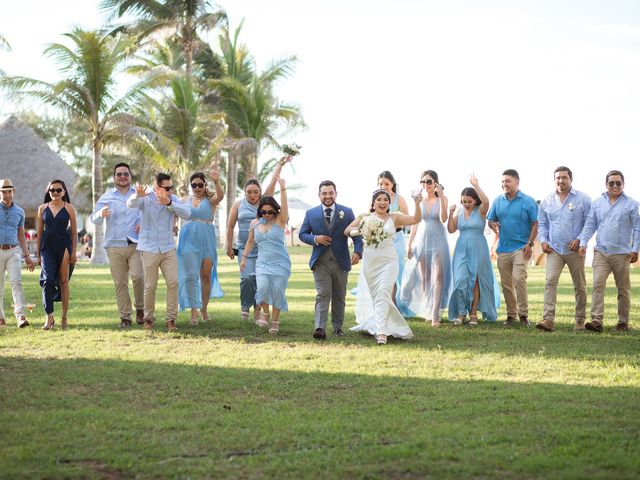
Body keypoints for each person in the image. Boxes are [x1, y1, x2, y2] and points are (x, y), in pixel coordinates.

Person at [346, 189, 423, 344]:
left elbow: (416, 219)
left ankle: (381, 332)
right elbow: (347, 231)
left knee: (383, 291)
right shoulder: (365, 217)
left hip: (389, 260)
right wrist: (361, 230)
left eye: (385, 200)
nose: (382, 203)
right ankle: (385, 325)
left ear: (389, 203)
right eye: (379, 200)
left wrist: (417, 203)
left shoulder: (395, 218)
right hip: (371, 262)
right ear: (373, 203)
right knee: (379, 297)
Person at [226, 158, 290, 321]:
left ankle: (258, 308)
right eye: (249, 192)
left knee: (259, 279)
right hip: (245, 247)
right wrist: (229, 246)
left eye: (256, 192)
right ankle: (245, 305)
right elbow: (230, 226)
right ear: (245, 192)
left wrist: (280, 164)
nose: (253, 195)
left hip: (263, 249)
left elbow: (274, 180)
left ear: (260, 192)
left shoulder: (264, 201)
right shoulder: (238, 205)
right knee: (246, 278)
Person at [299, 180, 363, 339]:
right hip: (320, 261)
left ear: (336, 193)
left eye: (330, 193)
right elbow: (302, 234)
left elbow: (356, 235)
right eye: (324, 193)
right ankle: (320, 328)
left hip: (341, 260)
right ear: (319, 195)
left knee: (339, 296)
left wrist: (358, 251)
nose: (328, 196)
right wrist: (316, 239)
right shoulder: (311, 213)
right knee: (323, 293)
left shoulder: (347, 212)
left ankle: (337, 327)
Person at [127, 172, 190, 331]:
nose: (169, 190)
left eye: (171, 187)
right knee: (150, 286)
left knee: (173, 283)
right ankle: (148, 319)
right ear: (156, 187)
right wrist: (136, 195)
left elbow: (187, 214)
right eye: (166, 188)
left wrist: (169, 203)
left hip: (168, 248)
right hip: (148, 249)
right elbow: (130, 204)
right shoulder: (145, 198)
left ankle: (171, 320)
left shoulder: (173, 199)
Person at [578, 170, 640, 333]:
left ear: (623, 184)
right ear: (606, 184)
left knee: (623, 289)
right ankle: (596, 321)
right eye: (611, 183)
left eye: (618, 183)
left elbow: (637, 228)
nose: (614, 186)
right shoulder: (597, 203)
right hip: (601, 253)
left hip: (622, 253)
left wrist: (635, 249)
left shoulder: (632, 204)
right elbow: (590, 224)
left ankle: (623, 323)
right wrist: (583, 243)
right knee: (598, 286)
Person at [536, 167, 591, 332]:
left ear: (571, 179)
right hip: (554, 250)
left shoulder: (583, 199)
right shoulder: (547, 200)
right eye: (558, 178)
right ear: (555, 180)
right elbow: (543, 224)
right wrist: (543, 241)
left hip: (575, 250)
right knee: (550, 282)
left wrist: (580, 239)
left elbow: (590, 222)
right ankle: (548, 320)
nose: (561, 181)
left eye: (564, 178)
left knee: (580, 285)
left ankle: (580, 320)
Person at [91, 162, 145, 328]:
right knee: (120, 283)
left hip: (135, 244)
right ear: (114, 177)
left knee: (138, 277)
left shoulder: (139, 194)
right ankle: (125, 317)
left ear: (130, 176)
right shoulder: (107, 197)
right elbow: (94, 218)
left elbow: (149, 213)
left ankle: (141, 309)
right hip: (114, 246)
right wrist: (101, 213)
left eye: (125, 174)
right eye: (119, 174)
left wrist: (143, 223)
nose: (122, 177)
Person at [487, 169, 538, 327]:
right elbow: (490, 220)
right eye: (503, 181)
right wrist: (493, 224)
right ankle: (511, 316)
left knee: (519, 279)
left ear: (517, 181)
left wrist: (530, 243)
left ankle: (523, 316)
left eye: (508, 181)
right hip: (503, 249)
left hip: (521, 248)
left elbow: (536, 224)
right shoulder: (498, 200)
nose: (504, 184)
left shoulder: (528, 201)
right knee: (506, 284)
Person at [401, 170, 452, 326]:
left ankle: (435, 313)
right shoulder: (419, 201)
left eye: (429, 181)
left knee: (439, 276)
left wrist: (442, 197)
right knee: (425, 278)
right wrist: (410, 244)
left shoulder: (443, 199)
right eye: (423, 182)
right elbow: (415, 224)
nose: (426, 185)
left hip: (438, 239)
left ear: (435, 183)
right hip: (422, 240)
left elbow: (444, 218)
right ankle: (428, 309)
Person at [240, 176, 290, 334]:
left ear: (275, 210)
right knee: (261, 288)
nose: (267, 214)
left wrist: (282, 190)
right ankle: (265, 313)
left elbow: (285, 208)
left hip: (280, 263)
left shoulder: (280, 221)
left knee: (277, 291)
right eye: (263, 211)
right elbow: (249, 242)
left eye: (270, 211)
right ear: (259, 210)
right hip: (262, 262)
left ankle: (275, 321)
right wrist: (244, 258)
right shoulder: (254, 224)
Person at [447, 175, 499, 325]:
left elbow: (487, 201)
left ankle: (473, 313)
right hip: (461, 248)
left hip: (478, 247)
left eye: (469, 201)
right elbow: (451, 229)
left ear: (475, 200)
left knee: (475, 281)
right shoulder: (459, 212)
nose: (467, 204)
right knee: (460, 280)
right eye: (464, 202)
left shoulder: (481, 211)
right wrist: (450, 214)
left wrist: (476, 185)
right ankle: (461, 312)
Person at [178, 167, 224, 325]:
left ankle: (204, 308)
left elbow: (221, 196)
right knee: (191, 276)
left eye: (200, 185)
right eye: (194, 185)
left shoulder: (210, 200)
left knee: (205, 275)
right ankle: (193, 312)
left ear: (205, 185)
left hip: (207, 238)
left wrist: (216, 181)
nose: (197, 188)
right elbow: (172, 209)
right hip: (189, 237)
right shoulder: (185, 200)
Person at [36, 179, 77, 330]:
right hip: (47, 247)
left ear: (64, 192)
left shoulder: (69, 208)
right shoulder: (42, 208)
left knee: (64, 282)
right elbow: (40, 233)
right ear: (48, 192)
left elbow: (73, 233)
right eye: (52, 190)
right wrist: (38, 254)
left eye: (58, 190)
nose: (55, 193)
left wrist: (73, 252)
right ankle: (49, 317)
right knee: (46, 281)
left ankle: (64, 318)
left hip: (64, 245)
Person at [376, 170, 413, 317]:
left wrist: (395, 224)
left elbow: (407, 219)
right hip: (380, 241)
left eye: (387, 184)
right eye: (381, 184)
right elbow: (369, 218)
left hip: (396, 239)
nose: (384, 186)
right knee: (382, 272)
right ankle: (384, 303)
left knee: (395, 271)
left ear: (392, 184)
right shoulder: (376, 198)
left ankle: (394, 303)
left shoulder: (399, 199)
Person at [0, 179, 35, 328]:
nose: (7, 195)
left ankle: (20, 316)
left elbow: (21, 235)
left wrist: (27, 256)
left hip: (14, 251)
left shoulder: (20, 212)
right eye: (3, 192)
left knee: (16, 282)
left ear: (14, 192)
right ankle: (1, 318)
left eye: (9, 191)